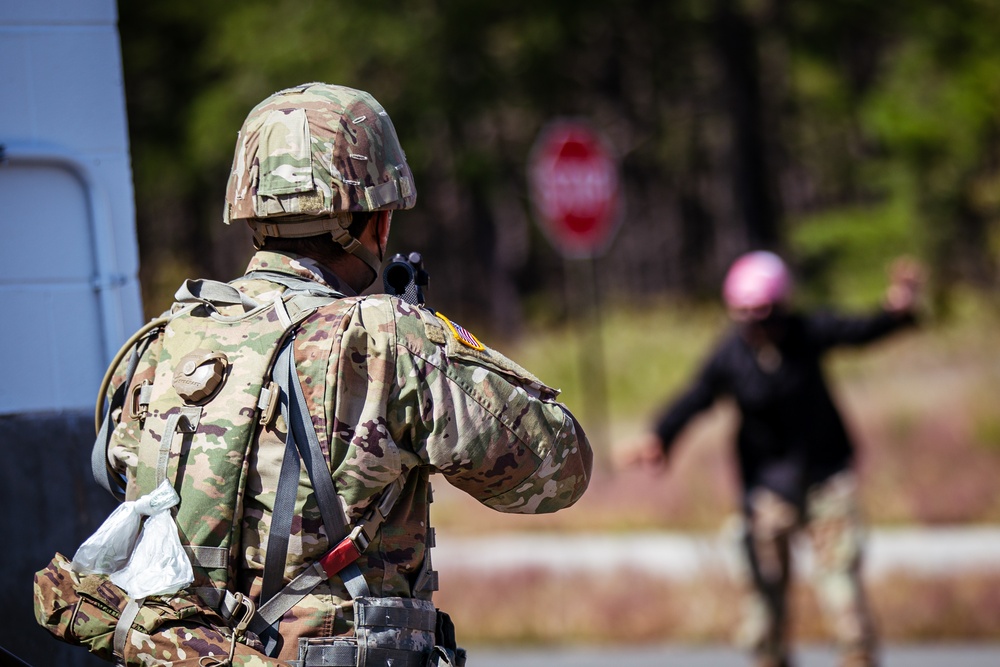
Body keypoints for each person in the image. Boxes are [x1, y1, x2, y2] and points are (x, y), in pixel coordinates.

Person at [34, 82, 592, 666]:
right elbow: (560, 470)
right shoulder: (382, 339)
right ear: (376, 219)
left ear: (249, 213)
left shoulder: (163, 342)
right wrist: (430, 349)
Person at [619, 250, 922, 667]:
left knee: (840, 581)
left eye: (765, 313)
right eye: (746, 315)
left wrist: (897, 310)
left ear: (783, 305)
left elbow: (858, 330)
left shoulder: (806, 333)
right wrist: (660, 438)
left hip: (825, 476)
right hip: (766, 486)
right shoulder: (732, 355)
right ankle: (768, 657)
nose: (757, 324)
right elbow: (696, 397)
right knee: (762, 589)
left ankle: (857, 654)